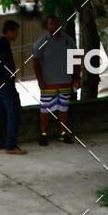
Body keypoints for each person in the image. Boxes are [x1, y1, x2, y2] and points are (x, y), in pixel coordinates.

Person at [32, 15, 80, 145]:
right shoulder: (42, 42)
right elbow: (35, 62)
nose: (54, 26)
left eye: (56, 23)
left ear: (60, 24)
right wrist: (40, 80)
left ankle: (62, 134)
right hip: (48, 84)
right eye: (51, 24)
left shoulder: (68, 41)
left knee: (63, 109)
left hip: (65, 81)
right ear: (47, 26)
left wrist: (76, 78)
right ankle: (43, 134)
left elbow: (76, 59)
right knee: (45, 109)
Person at [0, 19, 26, 155]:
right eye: (16, 32)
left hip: (1, 84)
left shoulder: (4, 42)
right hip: (4, 83)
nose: (17, 35)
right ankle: (11, 145)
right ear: (10, 31)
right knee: (13, 112)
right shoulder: (2, 41)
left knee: (0, 114)